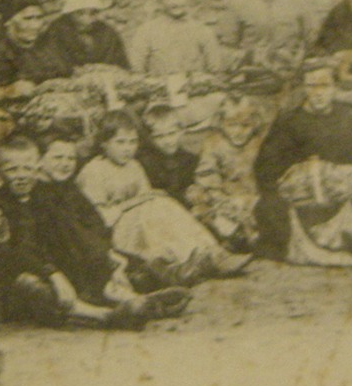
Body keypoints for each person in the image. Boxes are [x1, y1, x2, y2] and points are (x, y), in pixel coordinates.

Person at [0, 133, 189, 329]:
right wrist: (53, 274)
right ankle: (103, 316)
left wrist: (106, 261)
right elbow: (14, 253)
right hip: (15, 280)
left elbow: (74, 234)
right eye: (12, 170)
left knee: (93, 258)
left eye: (27, 168)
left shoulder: (47, 196)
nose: (21, 176)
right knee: (32, 285)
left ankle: (132, 301)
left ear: (37, 167)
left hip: (53, 268)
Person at [77, 111, 251, 287]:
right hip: (117, 234)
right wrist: (136, 203)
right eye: (120, 142)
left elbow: (147, 197)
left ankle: (212, 252)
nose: (128, 148)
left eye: (132, 142)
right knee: (153, 208)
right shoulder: (94, 171)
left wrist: (149, 200)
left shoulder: (133, 166)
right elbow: (97, 219)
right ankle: (195, 260)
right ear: (104, 144)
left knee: (163, 204)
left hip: (140, 226)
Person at [252, 59, 352, 266]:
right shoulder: (289, 121)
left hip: (343, 196)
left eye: (324, 85)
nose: (318, 92)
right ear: (304, 88)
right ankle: (339, 249)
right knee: (269, 208)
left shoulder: (350, 118)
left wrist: (350, 172)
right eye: (312, 85)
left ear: (335, 88)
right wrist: (297, 175)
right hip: (301, 199)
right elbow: (266, 165)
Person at [186, 94, 267, 251]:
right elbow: (207, 175)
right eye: (231, 125)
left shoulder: (258, 143)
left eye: (245, 125)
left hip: (252, 197)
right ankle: (230, 238)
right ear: (222, 123)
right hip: (224, 198)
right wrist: (220, 197)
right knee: (203, 211)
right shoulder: (214, 143)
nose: (238, 131)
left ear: (255, 125)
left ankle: (248, 238)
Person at [129, 0, 226, 77]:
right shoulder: (146, 31)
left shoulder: (202, 31)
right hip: (159, 92)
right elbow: (136, 71)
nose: (174, 3)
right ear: (160, 0)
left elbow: (217, 71)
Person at [37, 0, 130, 74]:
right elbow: (51, 64)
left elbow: (120, 65)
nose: (88, 19)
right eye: (80, 13)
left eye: (93, 13)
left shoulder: (107, 32)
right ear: (70, 13)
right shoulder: (56, 31)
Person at [0, 0, 71, 93]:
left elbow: (66, 71)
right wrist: (9, 90)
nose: (35, 26)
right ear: (8, 21)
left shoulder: (48, 44)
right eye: (27, 19)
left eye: (38, 18)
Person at [137, 103, 199, 202]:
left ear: (181, 131)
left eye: (171, 133)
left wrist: (194, 189)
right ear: (150, 138)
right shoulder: (146, 163)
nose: (167, 141)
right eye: (159, 136)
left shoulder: (190, 159)